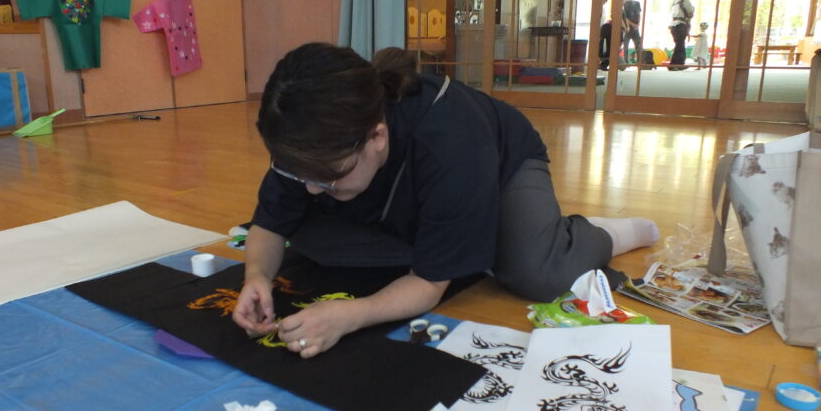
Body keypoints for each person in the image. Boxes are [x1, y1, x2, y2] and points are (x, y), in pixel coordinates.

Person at [232, 43, 659, 358]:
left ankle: (596, 233)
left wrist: (352, 314)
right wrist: (257, 277)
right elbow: (270, 223)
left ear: (377, 136)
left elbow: (429, 284)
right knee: (313, 244)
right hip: (411, 194)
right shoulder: (310, 146)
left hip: (502, 167)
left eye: (328, 176)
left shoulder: (451, 142)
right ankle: (464, 240)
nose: (309, 188)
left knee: (536, 272)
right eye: (299, 175)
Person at [668, 0, 694, 70]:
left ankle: (678, 64)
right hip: (681, 25)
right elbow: (690, 14)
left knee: (679, 44)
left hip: (673, 25)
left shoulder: (675, 2)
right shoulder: (686, 2)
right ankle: (674, 65)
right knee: (680, 45)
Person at [621, 0, 642, 65]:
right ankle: (625, 62)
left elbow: (639, 14)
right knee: (626, 44)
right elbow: (625, 17)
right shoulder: (625, 4)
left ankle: (639, 61)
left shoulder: (637, 3)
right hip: (628, 28)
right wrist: (632, 24)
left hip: (636, 28)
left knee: (638, 44)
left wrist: (638, 24)